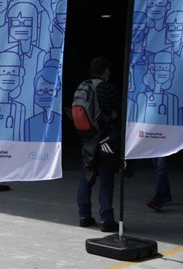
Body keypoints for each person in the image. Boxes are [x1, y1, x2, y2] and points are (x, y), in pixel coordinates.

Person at [75, 56, 122, 232]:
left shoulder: (82, 86)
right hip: (106, 138)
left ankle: (84, 215)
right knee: (107, 176)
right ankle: (106, 219)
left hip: (87, 138)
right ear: (106, 71)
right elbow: (120, 110)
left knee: (87, 174)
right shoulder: (107, 87)